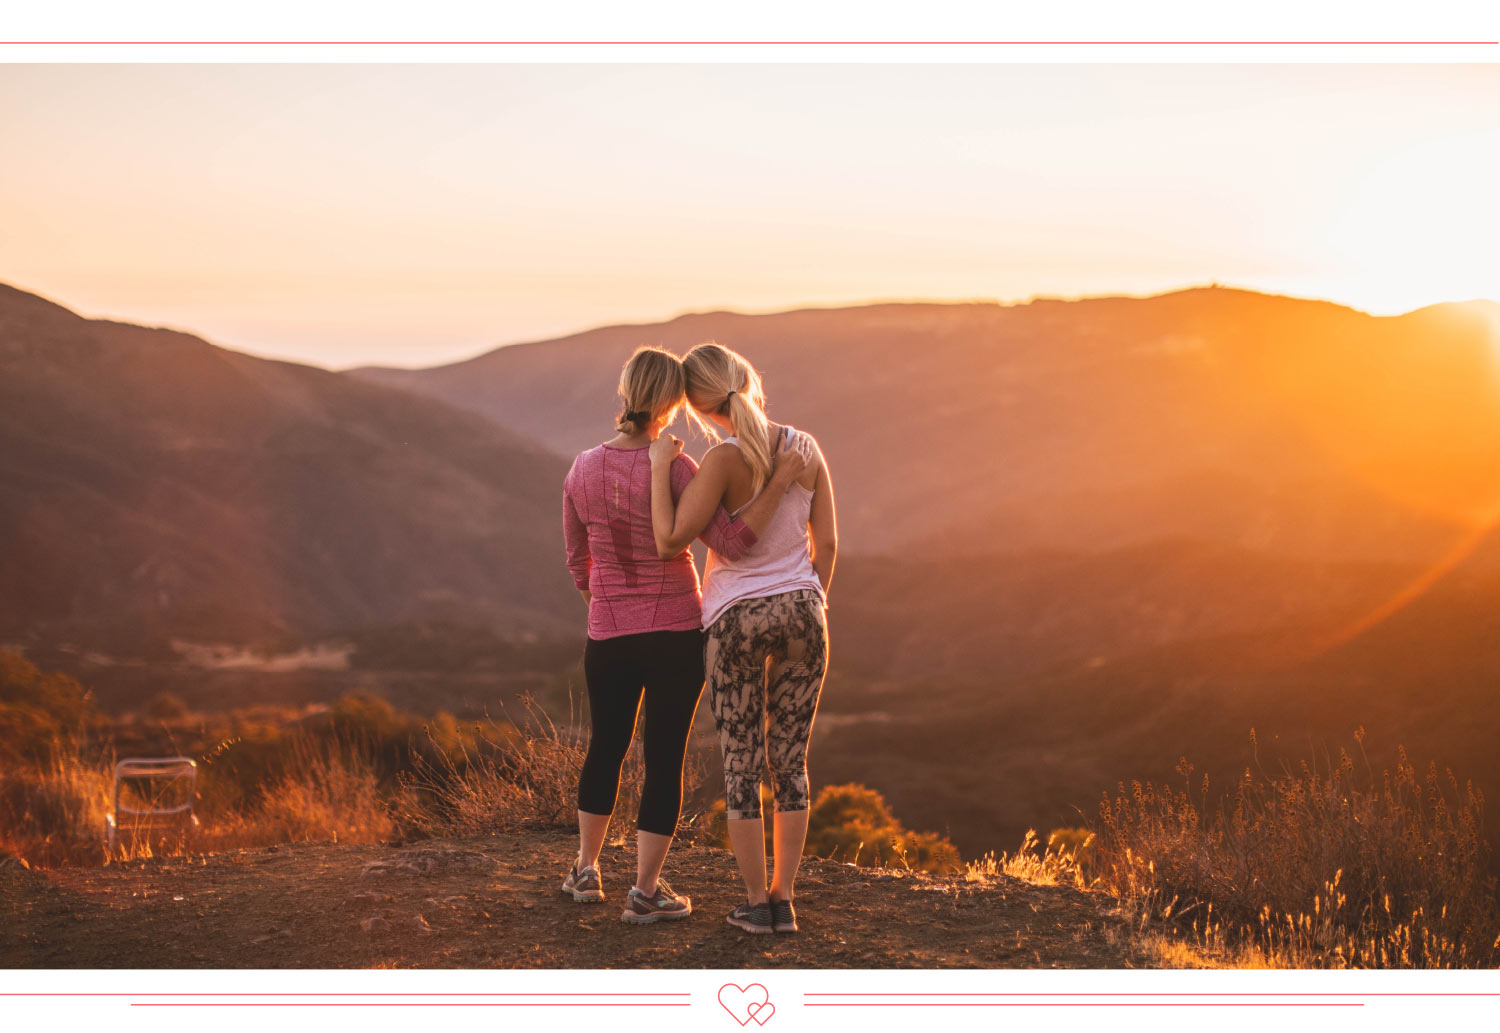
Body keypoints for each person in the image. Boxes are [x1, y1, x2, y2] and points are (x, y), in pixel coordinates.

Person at [560, 345, 806, 925]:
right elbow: (732, 542)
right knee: (663, 756)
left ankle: (586, 870)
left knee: (606, 746)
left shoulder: (581, 469)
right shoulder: (679, 469)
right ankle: (645, 891)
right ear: (673, 404)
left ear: (624, 394)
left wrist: (608, 605)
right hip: (676, 632)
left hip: (609, 633)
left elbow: (577, 560)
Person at [647, 341, 837, 935]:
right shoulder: (805, 449)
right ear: (748, 379)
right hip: (805, 611)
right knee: (791, 760)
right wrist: (812, 599)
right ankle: (786, 898)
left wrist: (659, 469)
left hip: (735, 621)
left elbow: (679, 538)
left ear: (701, 410)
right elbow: (826, 544)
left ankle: (757, 902)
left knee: (742, 763)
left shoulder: (723, 463)